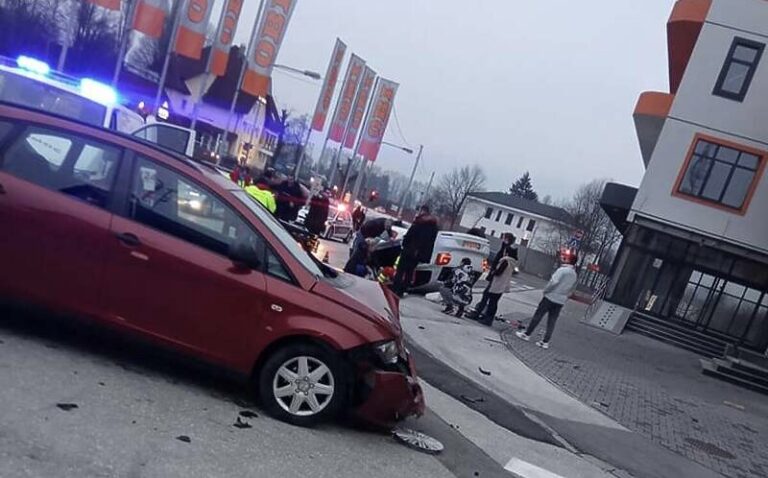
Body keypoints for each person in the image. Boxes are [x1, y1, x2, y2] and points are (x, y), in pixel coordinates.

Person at [515, 250, 579, 349]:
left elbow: (554, 282)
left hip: (551, 296)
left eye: (565, 258)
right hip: (561, 300)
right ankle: (545, 341)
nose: (563, 258)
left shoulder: (562, 270)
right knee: (552, 321)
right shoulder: (574, 274)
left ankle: (527, 334)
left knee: (538, 315)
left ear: (568, 260)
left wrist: (546, 290)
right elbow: (572, 289)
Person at [392, 205, 439, 296]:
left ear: (423, 211)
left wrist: (405, 244)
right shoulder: (434, 228)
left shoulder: (419, 222)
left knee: (400, 270)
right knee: (409, 272)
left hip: (409, 250)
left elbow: (410, 235)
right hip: (418, 254)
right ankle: (402, 291)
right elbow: (431, 242)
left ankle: (395, 289)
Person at [467, 233, 517, 319]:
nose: (502, 240)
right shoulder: (509, 252)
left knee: (488, 297)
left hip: (496, 280)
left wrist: (492, 273)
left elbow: (499, 268)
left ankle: (480, 314)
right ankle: (484, 315)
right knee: (492, 299)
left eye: (504, 238)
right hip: (499, 281)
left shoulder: (506, 252)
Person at [475, 246, 518, 326]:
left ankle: (488, 319)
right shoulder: (512, 263)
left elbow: (499, 272)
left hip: (497, 284)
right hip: (503, 284)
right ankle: (488, 318)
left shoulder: (505, 261)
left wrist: (493, 272)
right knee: (494, 302)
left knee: (492, 302)